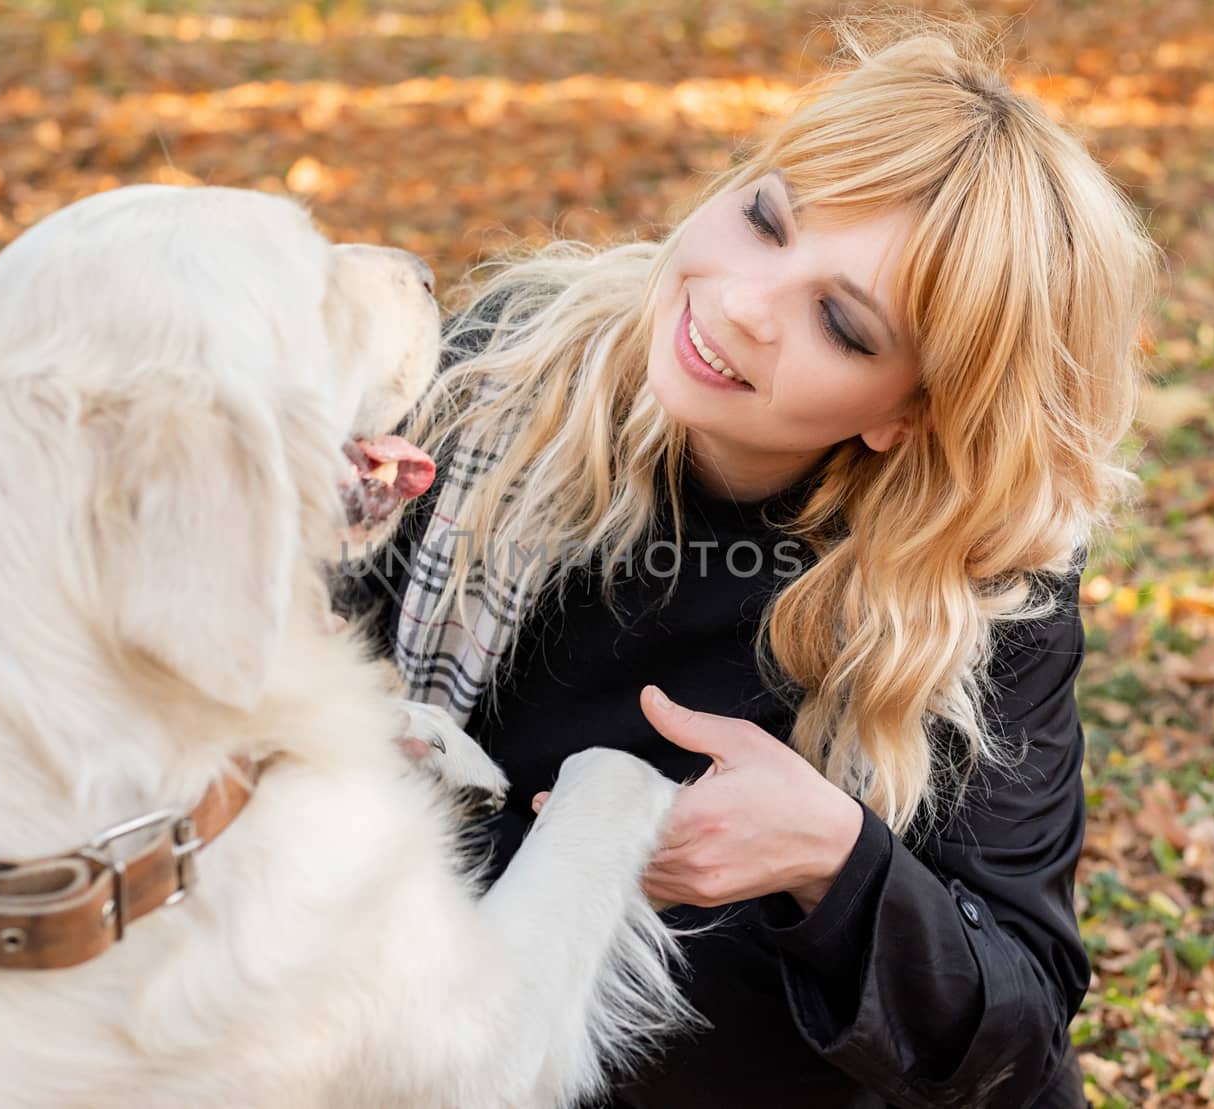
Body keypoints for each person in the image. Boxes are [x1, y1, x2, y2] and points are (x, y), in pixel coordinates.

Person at [337, 17, 1156, 1109]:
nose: (738, 303)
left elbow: (1016, 1037)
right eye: (766, 218)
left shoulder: (981, 595)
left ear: (909, 413)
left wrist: (837, 861)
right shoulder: (495, 380)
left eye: (841, 324)